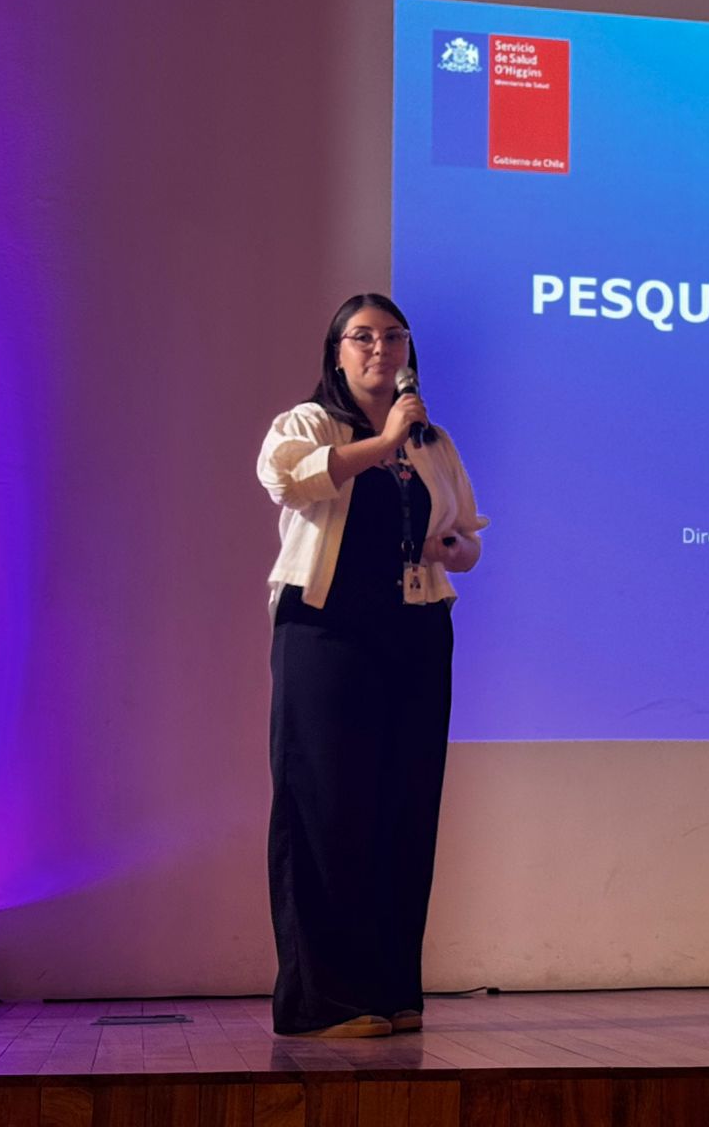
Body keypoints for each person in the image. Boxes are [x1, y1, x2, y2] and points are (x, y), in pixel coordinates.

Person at [256, 293, 486, 1038]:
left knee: (404, 805)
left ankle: (389, 991)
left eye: (393, 337)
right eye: (362, 337)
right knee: (327, 806)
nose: (379, 349)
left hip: (415, 629)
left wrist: (452, 548)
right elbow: (289, 480)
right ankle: (322, 1001)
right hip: (326, 631)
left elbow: (468, 538)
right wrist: (383, 441)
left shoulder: (432, 441)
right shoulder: (309, 423)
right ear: (337, 353)